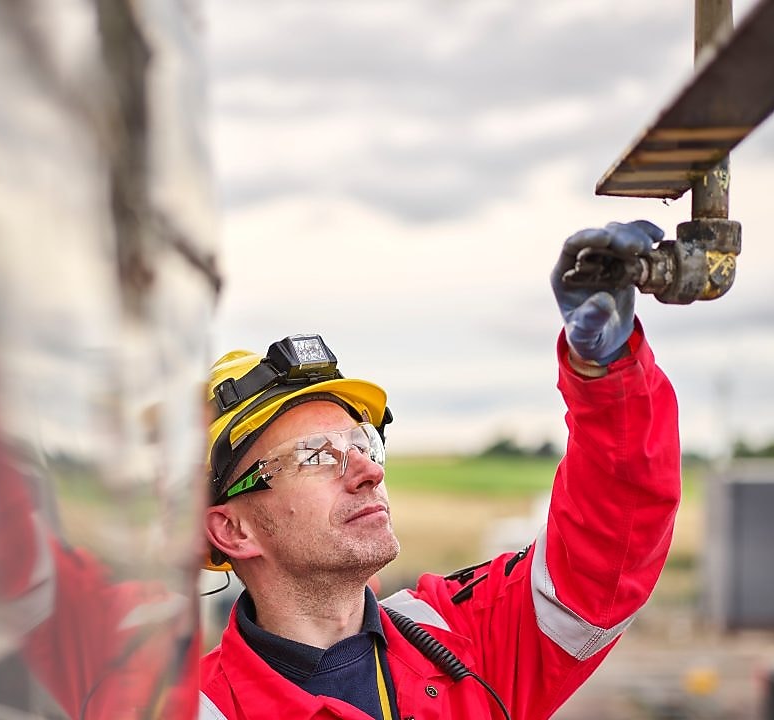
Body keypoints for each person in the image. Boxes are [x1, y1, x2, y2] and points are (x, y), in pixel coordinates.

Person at [198, 220, 682, 719]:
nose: (368, 471)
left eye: (363, 443)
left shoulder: (459, 640)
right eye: (316, 455)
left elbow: (606, 551)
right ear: (232, 529)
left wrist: (607, 374)